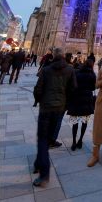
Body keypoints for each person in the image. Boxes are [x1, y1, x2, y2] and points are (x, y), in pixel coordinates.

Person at [31, 48, 76, 187]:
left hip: (46, 108)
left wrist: (39, 100)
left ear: (53, 56)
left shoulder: (47, 70)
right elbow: (73, 89)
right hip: (59, 108)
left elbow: (38, 89)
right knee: (48, 137)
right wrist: (66, 103)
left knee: (43, 140)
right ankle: (38, 163)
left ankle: (44, 174)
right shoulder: (70, 70)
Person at [66, 58, 96, 151]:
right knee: (84, 122)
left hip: (76, 98)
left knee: (75, 122)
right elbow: (92, 88)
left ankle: (74, 141)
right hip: (87, 99)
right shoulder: (92, 74)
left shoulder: (76, 72)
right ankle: (80, 140)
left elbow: (72, 85)